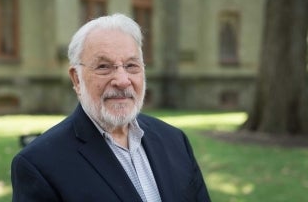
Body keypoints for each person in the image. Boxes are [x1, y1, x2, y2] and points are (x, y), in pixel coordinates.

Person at [11, 13, 211, 202]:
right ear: (76, 79)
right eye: (103, 67)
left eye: (132, 66)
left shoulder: (175, 141)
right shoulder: (39, 164)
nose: (122, 81)